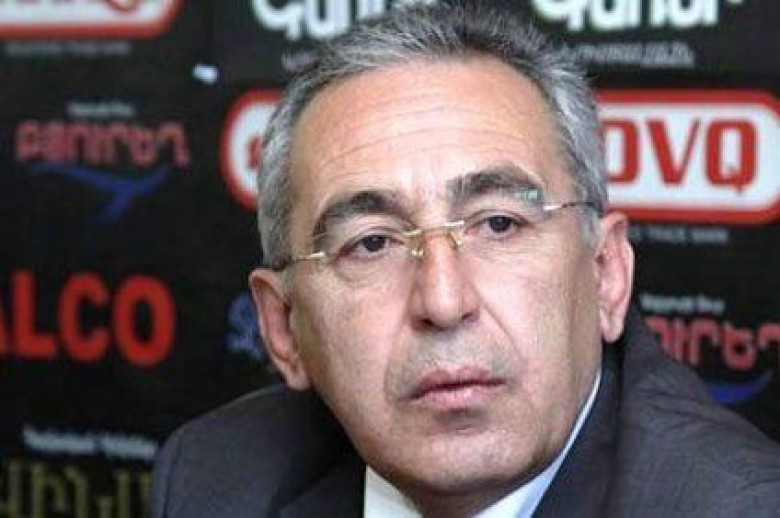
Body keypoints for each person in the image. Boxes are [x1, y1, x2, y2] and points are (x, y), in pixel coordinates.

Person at [151, 4, 780, 517]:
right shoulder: (216, 478)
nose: (444, 301)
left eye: (499, 224)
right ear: (284, 328)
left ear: (605, 275)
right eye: (372, 243)